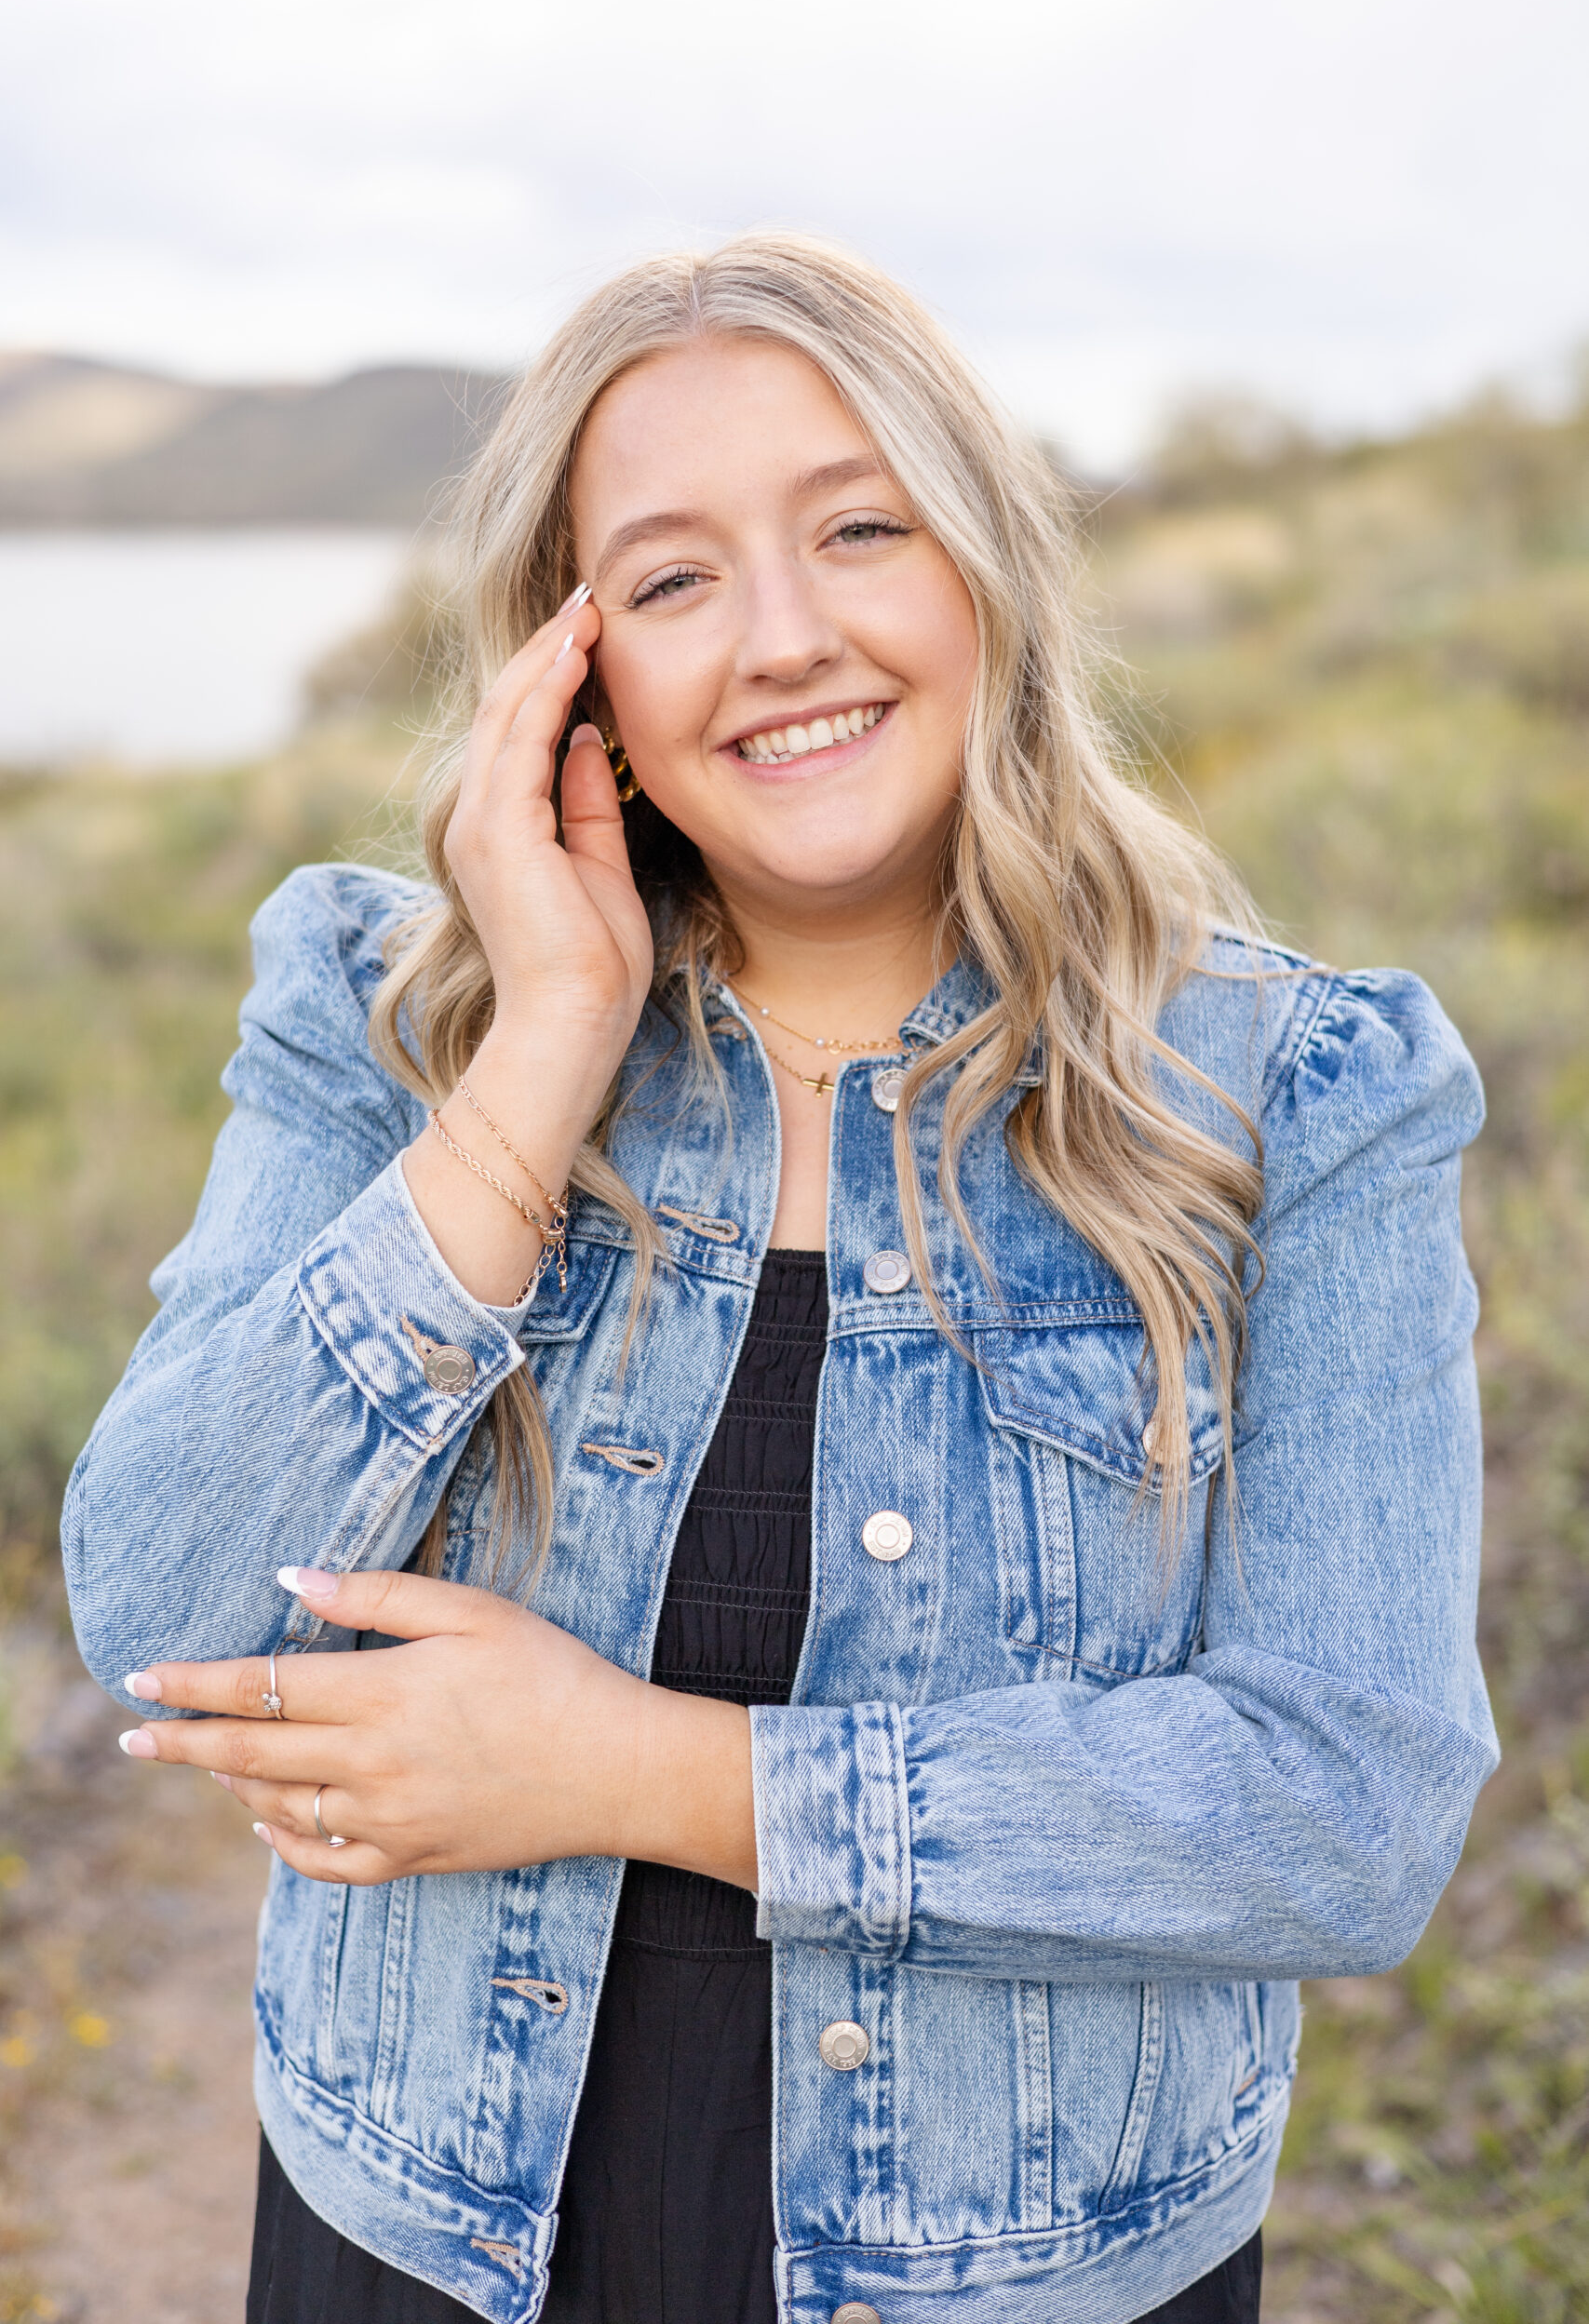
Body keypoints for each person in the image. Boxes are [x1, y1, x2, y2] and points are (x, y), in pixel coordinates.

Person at [65, 234, 1495, 2324]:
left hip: (1029, 2275)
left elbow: (1345, 1804)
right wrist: (542, 1042)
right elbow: (165, 1612)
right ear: (570, 674)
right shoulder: (374, 1018)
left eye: (857, 527)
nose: (782, 635)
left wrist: (639, 1769)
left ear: (985, 570)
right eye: (667, 579)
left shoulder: (1301, 1095)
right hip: (419, 2246)